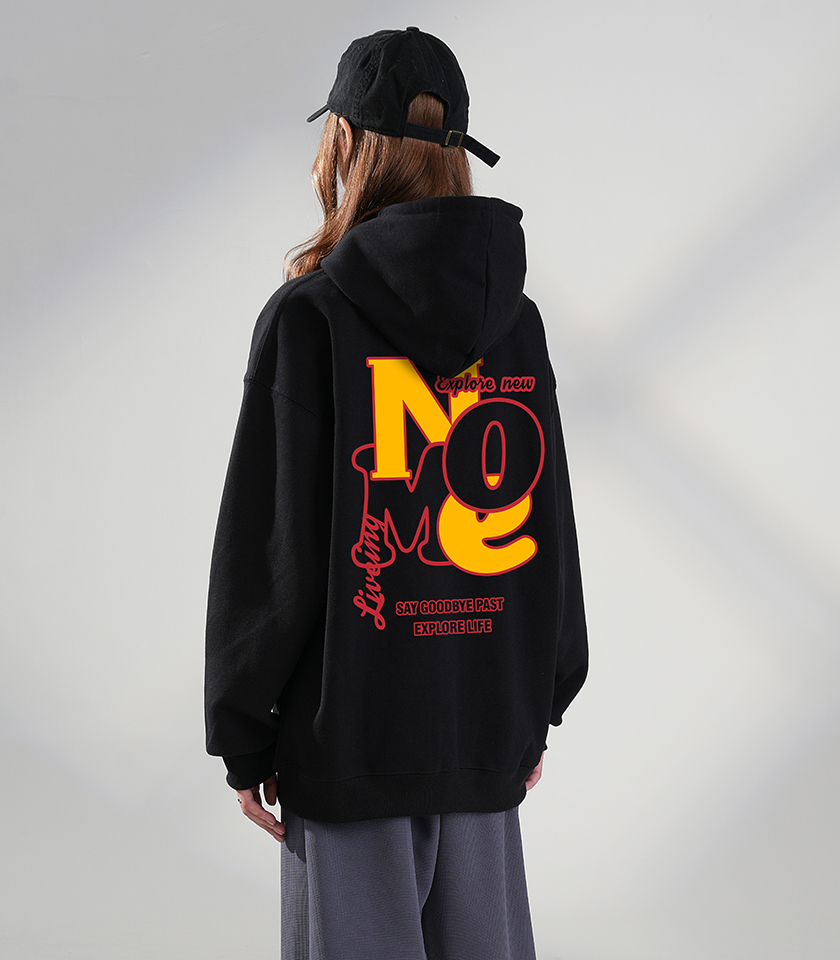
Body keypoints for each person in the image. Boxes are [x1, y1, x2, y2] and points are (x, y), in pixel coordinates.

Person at [204, 27, 588, 960]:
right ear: (459, 152)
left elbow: (274, 549)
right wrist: (538, 701)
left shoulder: (310, 319)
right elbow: (548, 524)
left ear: (343, 142)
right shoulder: (517, 323)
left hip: (351, 741)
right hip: (483, 727)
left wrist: (243, 731)